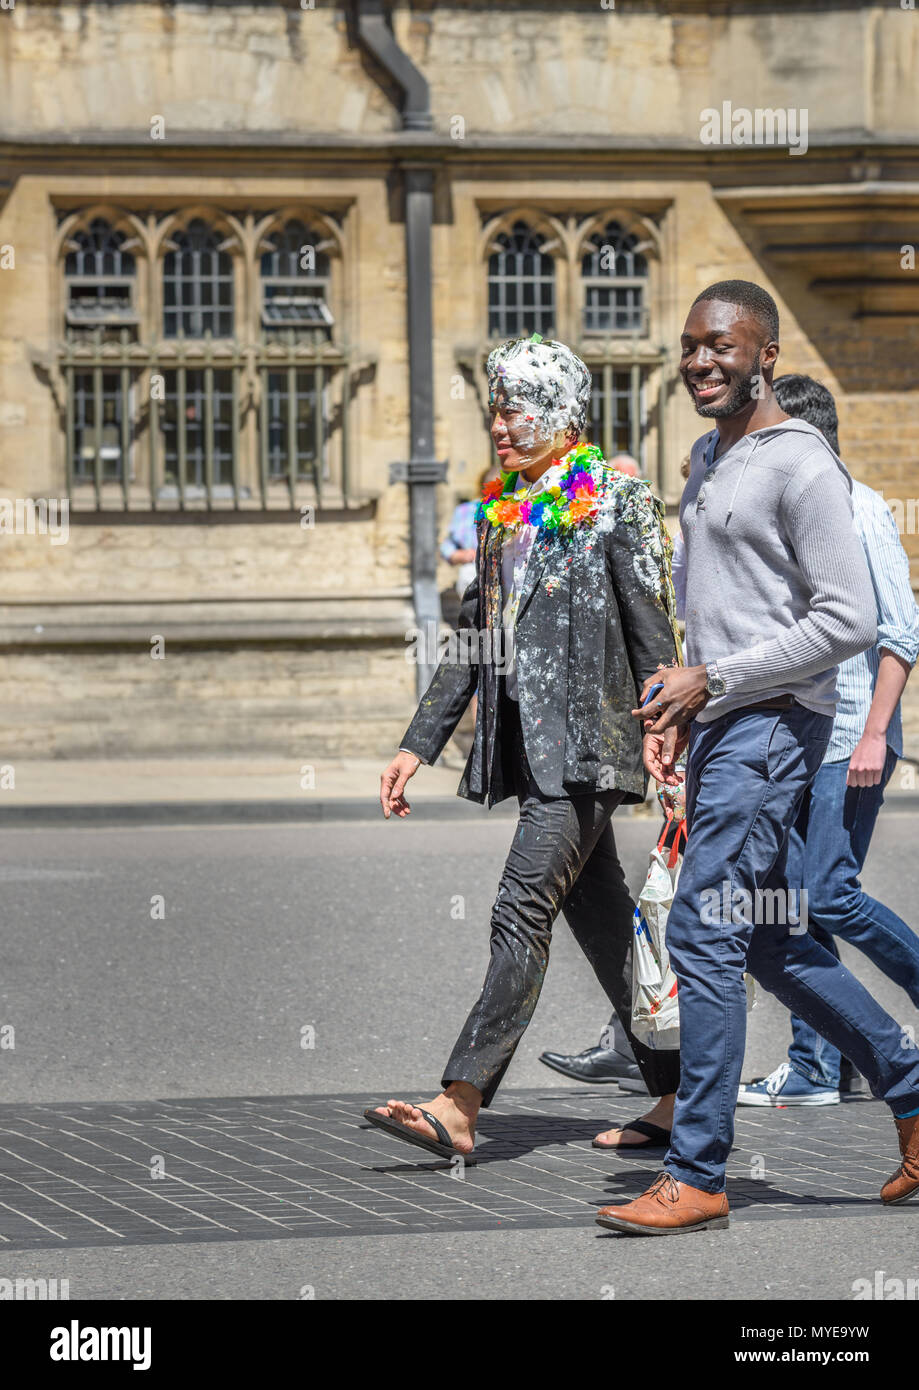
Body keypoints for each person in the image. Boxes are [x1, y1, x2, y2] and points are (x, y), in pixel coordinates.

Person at [596, 280, 919, 1235]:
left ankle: (697, 1172)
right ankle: (908, 1082)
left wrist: (717, 682)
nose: (700, 361)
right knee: (772, 936)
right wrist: (681, 702)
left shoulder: (801, 467)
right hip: (729, 721)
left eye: (721, 346)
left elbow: (849, 620)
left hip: (778, 726)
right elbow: (717, 608)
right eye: (690, 345)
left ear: (766, 353)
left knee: (703, 932)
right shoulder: (705, 456)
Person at [364, 333, 682, 1163]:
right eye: (494, 410)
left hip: (590, 748)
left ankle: (459, 1102)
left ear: (559, 413)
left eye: (511, 410)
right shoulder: (509, 503)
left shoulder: (615, 498)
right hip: (532, 749)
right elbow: (474, 636)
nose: (498, 426)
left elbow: (653, 630)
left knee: (517, 909)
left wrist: (667, 731)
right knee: (602, 919)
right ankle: (681, 1094)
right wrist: (416, 746)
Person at [737, 374, 919, 1105]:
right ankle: (816, 1066)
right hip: (804, 733)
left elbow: (899, 631)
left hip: (852, 735)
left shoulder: (860, 509)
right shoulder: (799, 511)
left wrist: (874, 736)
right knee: (794, 904)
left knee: (828, 893)